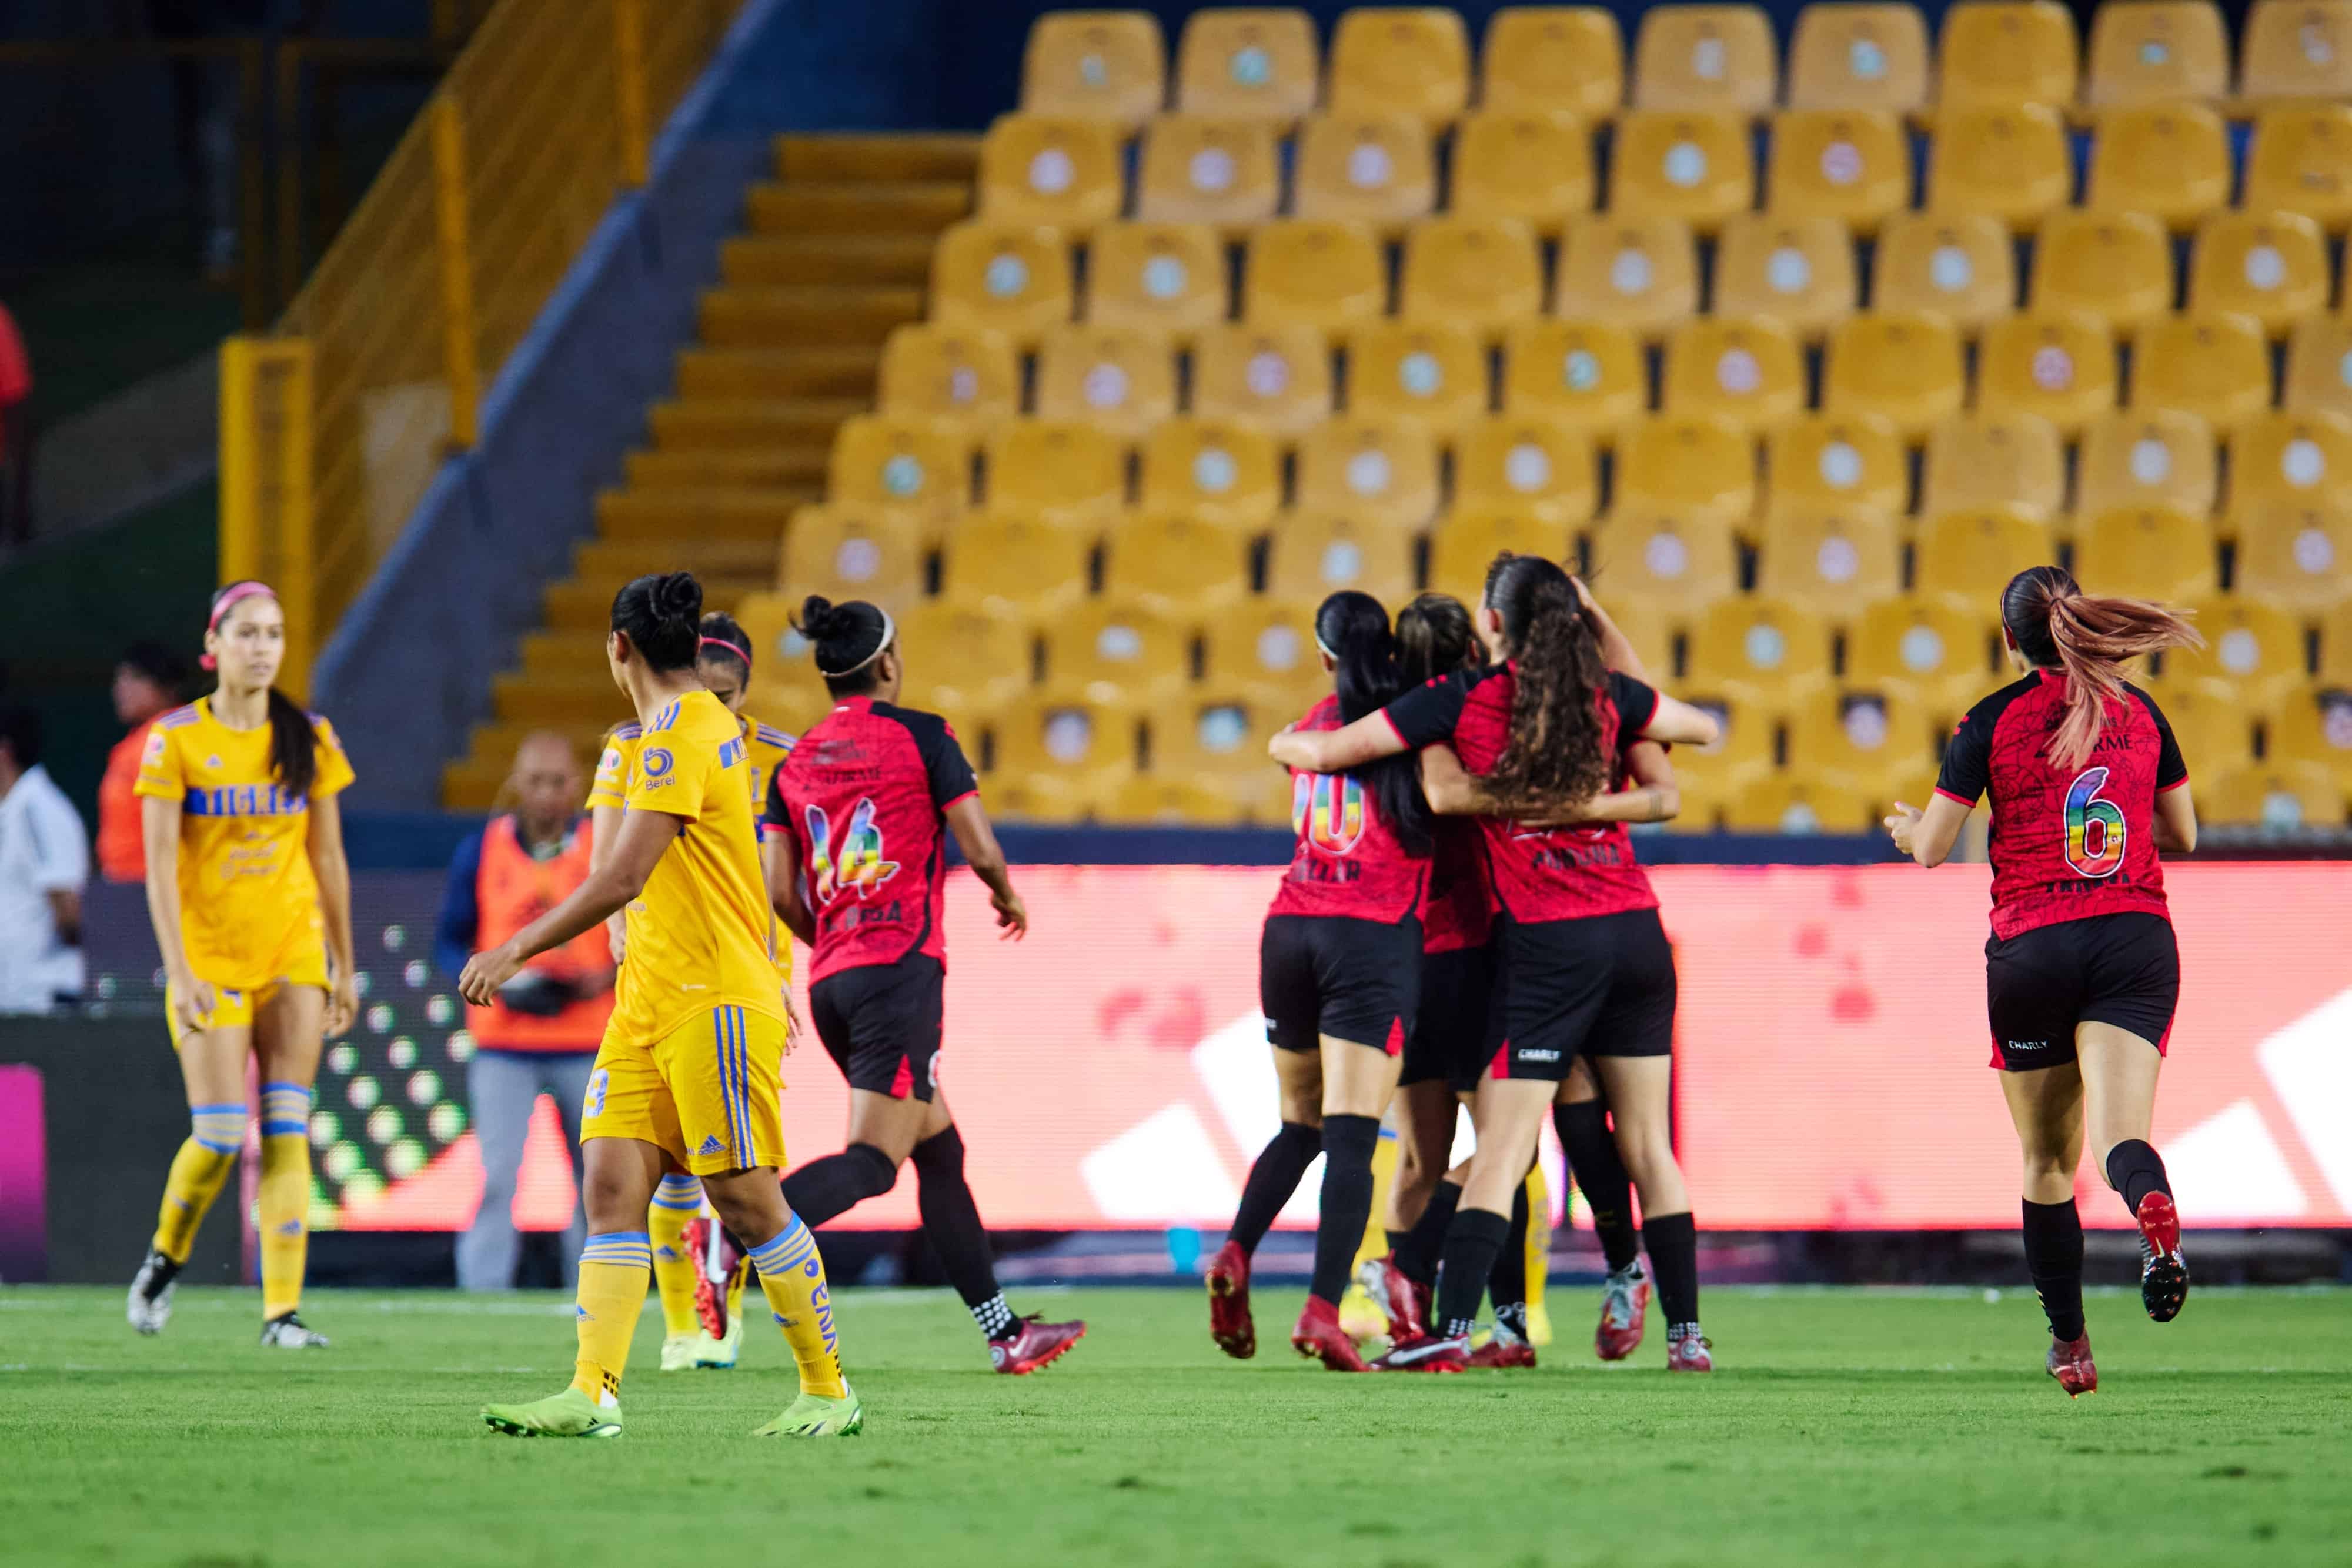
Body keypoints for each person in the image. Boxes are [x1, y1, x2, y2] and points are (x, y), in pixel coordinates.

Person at [1271, 554, 1720, 1373]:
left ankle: (1445, 1310)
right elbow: (1694, 731)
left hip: (1539, 945)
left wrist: (1284, 742)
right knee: (1635, 1138)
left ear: (1495, 624)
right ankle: (1679, 1333)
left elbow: (1354, 757)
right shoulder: (1602, 700)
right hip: (1634, 929)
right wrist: (1598, 798)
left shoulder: (1457, 703)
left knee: (1501, 1145)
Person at [465, 571, 860, 1440]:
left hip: (712, 997)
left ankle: (828, 1389)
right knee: (613, 1185)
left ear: (619, 647)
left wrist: (514, 947)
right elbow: (621, 863)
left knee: (746, 1198)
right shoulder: (650, 737)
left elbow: (620, 875)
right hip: (649, 999)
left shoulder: (685, 732)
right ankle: (592, 1389)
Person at [1884, 566, 2201, 1399]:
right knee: (2119, 1137)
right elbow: (2187, 831)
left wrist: (1907, 827)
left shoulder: (1989, 720)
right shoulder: (2139, 710)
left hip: (2034, 946)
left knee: (2045, 1159)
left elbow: (1932, 848)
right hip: (2134, 936)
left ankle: (2071, 1344)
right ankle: (2153, 1210)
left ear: (2009, 641)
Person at [761, 594, 1086, 1376]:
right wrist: (1007, 893)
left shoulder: (795, 761)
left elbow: (777, 890)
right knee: (875, 1161)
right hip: (900, 972)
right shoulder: (924, 736)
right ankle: (738, 1231)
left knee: (941, 1153)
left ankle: (1006, 1331)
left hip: (833, 979)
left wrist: (833, 939)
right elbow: (976, 840)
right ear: (889, 663)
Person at [1202, 590, 1436, 1374]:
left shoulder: (1307, 725)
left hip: (1291, 927)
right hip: (1368, 934)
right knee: (1352, 1135)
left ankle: (1237, 1248)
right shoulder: (1409, 720)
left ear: (1324, 657)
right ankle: (1323, 1308)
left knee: (1299, 1125)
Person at [125, 580, 355, 1348]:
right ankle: (166, 1258)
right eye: (248, 633)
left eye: (275, 634)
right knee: (221, 1134)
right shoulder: (176, 739)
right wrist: (180, 968)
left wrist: (345, 964)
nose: (263, 648)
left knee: (288, 1127)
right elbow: (159, 868)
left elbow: (328, 855)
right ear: (213, 646)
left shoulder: (307, 736)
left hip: (293, 952)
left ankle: (281, 1313)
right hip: (211, 959)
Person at [590, 611, 803, 1372]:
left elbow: (782, 883)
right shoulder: (630, 744)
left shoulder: (777, 756)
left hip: (737, 980)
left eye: (727, 692)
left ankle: (734, 1317)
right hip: (658, 979)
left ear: (744, 690)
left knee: (736, 1173)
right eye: (699, 684)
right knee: (662, 1165)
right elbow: (609, 868)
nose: (710, 701)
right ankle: (686, 1325)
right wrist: (622, 939)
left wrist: (783, 983)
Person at [435, 732, 613, 1292]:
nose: (546, 794)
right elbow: (449, 942)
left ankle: (595, 1293)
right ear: (517, 785)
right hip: (504, 1040)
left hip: (587, 1035)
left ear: (578, 787)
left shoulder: (603, 850)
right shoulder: (483, 850)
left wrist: (605, 976)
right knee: (497, 1176)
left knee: (598, 1179)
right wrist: (489, 982)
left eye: (558, 781)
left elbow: (640, 936)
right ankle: (483, 1294)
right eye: (535, 781)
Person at [0, 705, 89, 1014]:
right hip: (14, 995)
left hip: (46, 996)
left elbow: (68, 907)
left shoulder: (39, 808)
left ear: (5, 751)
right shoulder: (13, 809)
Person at [98, 641, 190, 883]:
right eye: (120, 679)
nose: (121, 689)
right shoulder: (144, 737)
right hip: (130, 885)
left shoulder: (171, 736)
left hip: (155, 884)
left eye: (135, 679)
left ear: (169, 687)